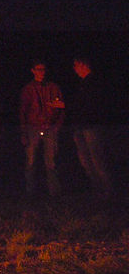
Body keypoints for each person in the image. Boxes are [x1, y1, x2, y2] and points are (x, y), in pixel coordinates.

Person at [68, 55, 112, 200]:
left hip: (91, 127)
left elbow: (92, 105)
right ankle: (97, 190)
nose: (74, 69)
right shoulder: (82, 84)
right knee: (85, 160)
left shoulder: (94, 83)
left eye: (75, 65)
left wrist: (70, 106)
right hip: (80, 127)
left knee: (96, 159)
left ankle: (107, 191)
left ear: (83, 65)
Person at [19, 60, 63, 197]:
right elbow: (23, 111)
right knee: (30, 162)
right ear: (33, 70)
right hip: (33, 128)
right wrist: (24, 132)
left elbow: (61, 108)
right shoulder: (28, 89)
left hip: (49, 128)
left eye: (43, 69)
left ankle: (54, 192)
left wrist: (56, 126)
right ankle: (31, 192)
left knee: (51, 162)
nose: (41, 72)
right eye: (38, 69)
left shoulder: (53, 87)